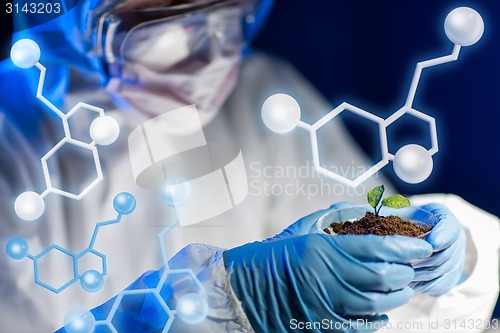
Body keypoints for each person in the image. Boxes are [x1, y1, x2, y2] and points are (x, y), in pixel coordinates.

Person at [0, 0, 497, 332]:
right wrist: (228, 304)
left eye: (231, 19)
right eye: (165, 29)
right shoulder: (11, 136)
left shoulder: (262, 93)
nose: (213, 60)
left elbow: (377, 258)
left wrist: (453, 257)